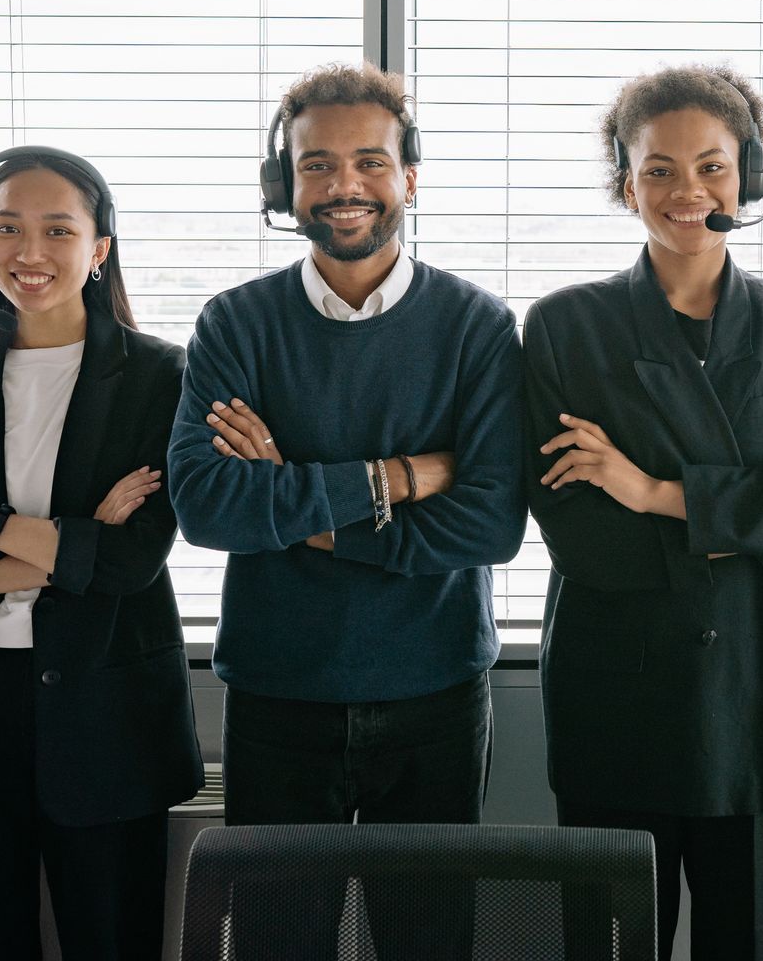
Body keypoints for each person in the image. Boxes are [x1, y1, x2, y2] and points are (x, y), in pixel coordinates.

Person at [167, 62, 525, 955]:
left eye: (370, 161)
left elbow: (488, 524)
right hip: (279, 691)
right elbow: (209, 505)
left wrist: (290, 496)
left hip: (435, 688)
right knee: (277, 941)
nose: (344, 185)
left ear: (410, 177)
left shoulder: (477, 326)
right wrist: (399, 478)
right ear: (282, 183)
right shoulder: (235, 324)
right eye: (316, 164)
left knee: (429, 941)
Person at [522, 64, 763, 961]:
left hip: (761, 683)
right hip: (616, 679)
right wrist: (753, 507)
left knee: (747, 943)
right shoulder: (565, 326)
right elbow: (580, 537)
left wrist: (648, 491)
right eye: (659, 169)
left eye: (711, 166)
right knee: (606, 943)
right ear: (623, 182)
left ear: (747, 175)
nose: (687, 192)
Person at [0, 147, 202, 960]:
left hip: (109, 716)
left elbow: (132, 564)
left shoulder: (162, 378)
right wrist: (70, 541)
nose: (30, 252)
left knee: (111, 941)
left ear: (98, 250)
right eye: (7, 229)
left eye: (59, 230)